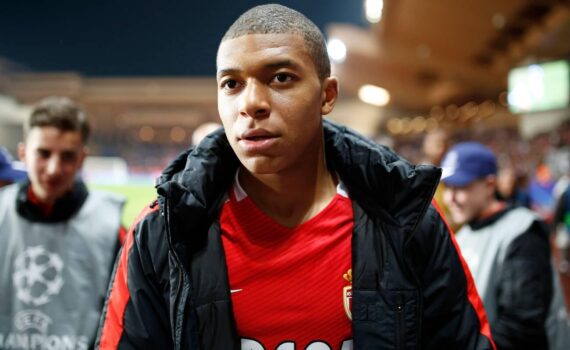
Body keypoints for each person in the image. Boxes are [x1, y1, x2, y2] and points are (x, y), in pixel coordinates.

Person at [97, 4, 494, 349]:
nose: (251, 103)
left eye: (280, 77)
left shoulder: (407, 221)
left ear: (327, 95)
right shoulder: (162, 232)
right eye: (231, 84)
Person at [0, 97, 125, 349]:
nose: (54, 168)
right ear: (23, 154)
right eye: (43, 154)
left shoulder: (111, 229)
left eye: (67, 156)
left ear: (81, 159)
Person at [442, 142, 570, 350]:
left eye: (461, 187)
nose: (451, 198)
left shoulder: (522, 230)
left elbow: (522, 325)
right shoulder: (462, 236)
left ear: (490, 184)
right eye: (448, 187)